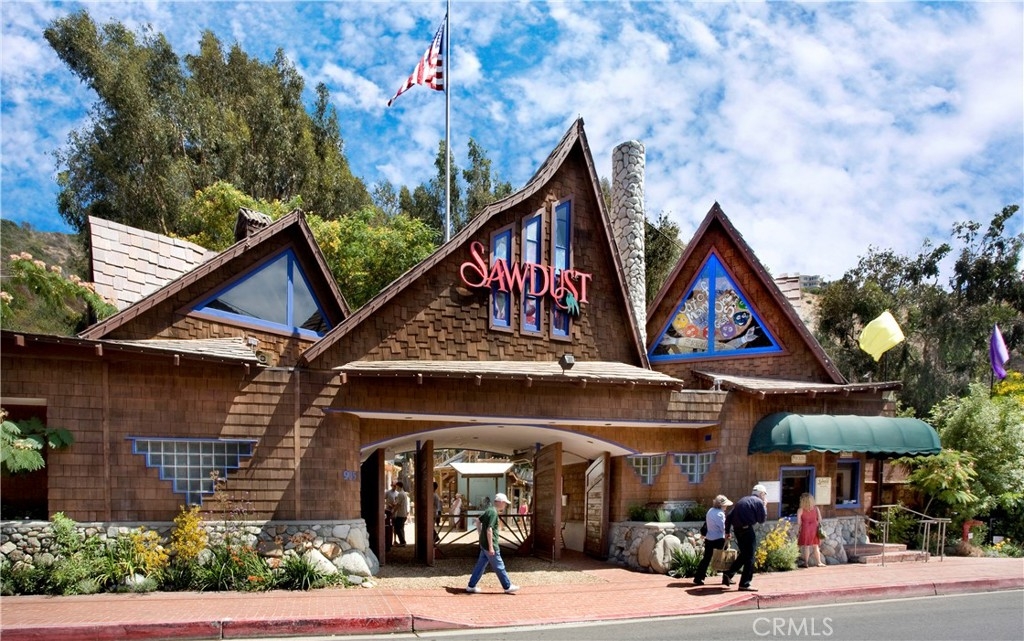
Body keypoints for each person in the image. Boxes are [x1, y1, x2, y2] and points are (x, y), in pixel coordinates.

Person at [466, 492, 520, 594]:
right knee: (499, 566)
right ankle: (507, 586)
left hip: (484, 544)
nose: (505, 505)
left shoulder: (489, 510)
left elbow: (478, 521)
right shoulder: (494, 513)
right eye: (505, 503)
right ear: (500, 502)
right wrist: (491, 546)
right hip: (490, 544)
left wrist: (480, 535)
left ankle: (471, 586)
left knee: (480, 566)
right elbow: (489, 529)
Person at [723, 484, 768, 591]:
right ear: (761, 494)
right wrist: (764, 506)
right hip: (747, 530)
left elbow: (729, 516)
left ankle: (728, 574)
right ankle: (745, 583)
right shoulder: (759, 502)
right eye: (764, 495)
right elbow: (762, 520)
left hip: (738, 530)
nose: (764, 497)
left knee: (744, 554)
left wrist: (727, 532)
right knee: (750, 557)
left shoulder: (743, 500)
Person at [692, 494, 733, 585]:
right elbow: (723, 528)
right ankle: (726, 578)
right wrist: (728, 534)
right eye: (725, 505)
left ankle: (698, 578)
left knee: (706, 558)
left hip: (709, 538)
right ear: (721, 505)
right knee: (725, 557)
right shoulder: (720, 514)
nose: (726, 506)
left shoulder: (710, 511)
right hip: (719, 539)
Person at [797, 492, 825, 568]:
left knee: (806, 546)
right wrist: (814, 522)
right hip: (814, 528)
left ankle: (806, 563)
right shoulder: (816, 508)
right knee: (816, 546)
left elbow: (799, 522)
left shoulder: (800, 510)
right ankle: (819, 562)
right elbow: (820, 519)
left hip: (805, 528)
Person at [392, 481, 409, 547]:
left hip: (400, 514)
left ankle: (402, 542)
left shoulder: (400, 494)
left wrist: (393, 512)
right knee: (401, 528)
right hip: (403, 514)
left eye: (396, 486)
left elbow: (398, 505)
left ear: (398, 486)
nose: (396, 488)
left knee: (397, 528)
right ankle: (402, 541)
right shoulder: (404, 494)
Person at [384, 482, 399, 549]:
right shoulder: (388, 492)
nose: (394, 487)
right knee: (388, 526)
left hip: (394, 511)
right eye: (393, 486)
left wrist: (395, 505)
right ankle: (389, 541)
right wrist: (388, 504)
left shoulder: (397, 493)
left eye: (395, 486)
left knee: (394, 526)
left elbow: (397, 502)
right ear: (391, 486)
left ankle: (394, 540)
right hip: (388, 510)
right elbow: (384, 499)